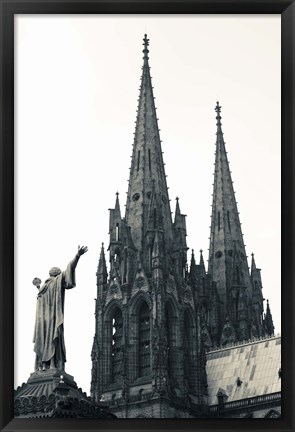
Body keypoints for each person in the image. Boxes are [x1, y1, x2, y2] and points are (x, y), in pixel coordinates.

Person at [32, 245, 88, 371]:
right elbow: (70, 267)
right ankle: (46, 365)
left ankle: (49, 365)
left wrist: (77, 256)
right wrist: (77, 256)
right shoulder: (45, 286)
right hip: (47, 321)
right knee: (49, 339)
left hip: (51, 318)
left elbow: (70, 267)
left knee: (52, 338)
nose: (55, 272)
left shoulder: (55, 282)